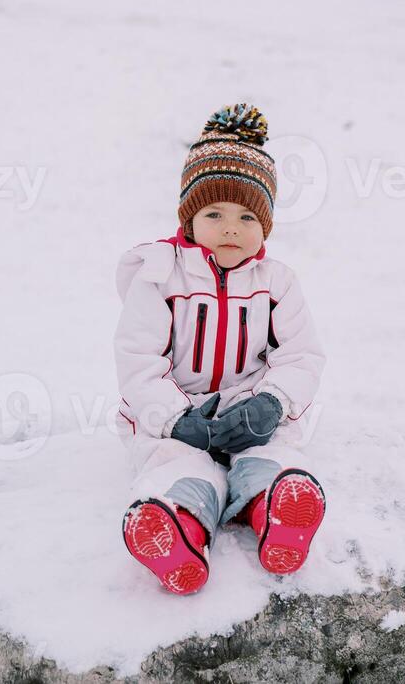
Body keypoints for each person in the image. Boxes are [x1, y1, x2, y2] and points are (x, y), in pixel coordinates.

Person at [113, 102, 326, 595]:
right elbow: (138, 360)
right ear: (188, 219)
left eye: (247, 216)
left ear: (266, 225)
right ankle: (176, 529)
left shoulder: (278, 283)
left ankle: (278, 507)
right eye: (214, 213)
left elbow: (301, 355)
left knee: (270, 455)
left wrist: (272, 403)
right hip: (180, 415)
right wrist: (173, 418)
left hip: (250, 411)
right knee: (178, 465)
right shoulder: (159, 277)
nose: (231, 228)